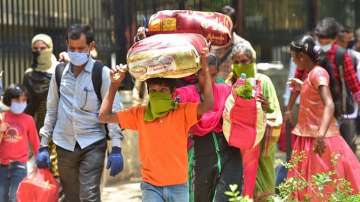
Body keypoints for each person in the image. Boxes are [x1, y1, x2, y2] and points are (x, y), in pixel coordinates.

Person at [99, 52, 214, 202]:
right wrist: (114, 85)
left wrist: (204, 68)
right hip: (151, 187)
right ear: (148, 93)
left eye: (163, 91)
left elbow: (208, 105)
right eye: (153, 91)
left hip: (178, 186)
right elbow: (103, 116)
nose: (157, 94)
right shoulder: (140, 114)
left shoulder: (182, 111)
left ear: (173, 93)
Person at [35, 24, 124, 202]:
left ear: (91, 47)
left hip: (92, 143)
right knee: (72, 197)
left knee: (89, 196)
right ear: (67, 44)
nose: (76, 52)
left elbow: (113, 111)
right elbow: (51, 110)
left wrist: (116, 147)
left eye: (80, 48)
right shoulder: (59, 73)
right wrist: (43, 144)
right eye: (72, 48)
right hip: (64, 145)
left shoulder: (102, 73)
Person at [287, 35, 360, 200]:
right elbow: (314, 92)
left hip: (318, 137)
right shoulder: (311, 74)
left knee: (323, 183)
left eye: (293, 57)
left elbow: (329, 104)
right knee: (312, 183)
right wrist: (302, 85)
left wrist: (320, 134)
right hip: (308, 135)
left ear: (301, 57)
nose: (293, 61)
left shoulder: (318, 73)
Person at [174, 54, 242, 202]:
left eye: (213, 75)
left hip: (226, 152)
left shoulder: (225, 91)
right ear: (196, 74)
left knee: (228, 195)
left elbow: (240, 110)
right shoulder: (184, 94)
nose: (209, 81)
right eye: (204, 75)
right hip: (198, 154)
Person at [290, 17, 360, 152]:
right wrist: (289, 107)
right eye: (320, 40)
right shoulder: (308, 54)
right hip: (313, 110)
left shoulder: (341, 54)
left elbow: (353, 84)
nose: (323, 44)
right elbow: (298, 78)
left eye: (326, 42)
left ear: (334, 39)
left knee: (341, 150)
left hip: (338, 109)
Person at [224, 42, 282, 198]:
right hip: (235, 146)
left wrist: (265, 107)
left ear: (252, 61)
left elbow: (275, 114)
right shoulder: (229, 84)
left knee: (262, 193)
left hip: (261, 145)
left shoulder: (263, 82)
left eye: (244, 61)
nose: (240, 65)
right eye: (236, 62)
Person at [0, 84, 40, 202]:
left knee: (14, 196)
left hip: (19, 165)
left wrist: (40, 162)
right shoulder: (2, 117)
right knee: (2, 198)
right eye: (17, 100)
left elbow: (35, 142)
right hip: (2, 165)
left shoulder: (28, 120)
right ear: (8, 100)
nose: (21, 103)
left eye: (23, 100)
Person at [211, 5, 256, 83]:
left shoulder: (244, 46)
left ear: (234, 24)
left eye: (227, 23)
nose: (223, 26)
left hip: (237, 92)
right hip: (214, 92)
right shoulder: (209, 46)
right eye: (221, 23)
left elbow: (252, 76)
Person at [23, 34, 59, 130]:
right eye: (35, 48)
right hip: (40, 125)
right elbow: (27, 104)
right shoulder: (29, 75)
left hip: (61, 124)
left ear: (50, 48)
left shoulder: (59, 71)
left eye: (43, 48)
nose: (39, 51)